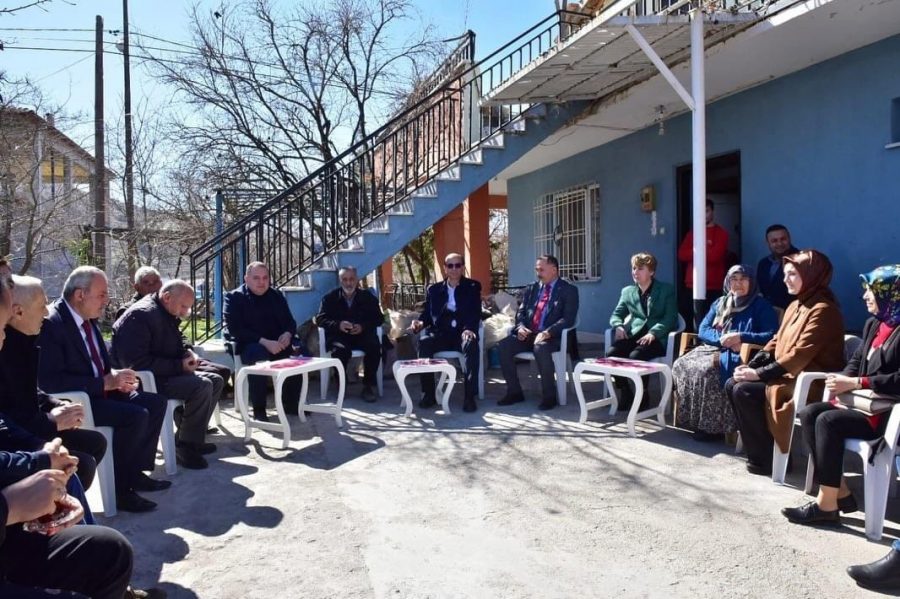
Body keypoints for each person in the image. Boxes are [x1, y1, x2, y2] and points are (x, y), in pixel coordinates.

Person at [38, 266, 167, 513]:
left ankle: (135, 471)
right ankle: (121, 491)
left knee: (155, 402)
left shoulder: (87, 320)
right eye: (102, 294)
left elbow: (96, 364)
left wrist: (116, 376)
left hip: (100, 392)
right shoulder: (53, 325)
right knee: (134, 416)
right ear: (80, 295)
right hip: (79, 401)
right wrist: (103, 383)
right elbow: (50, 382)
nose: (106, 300)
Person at [780, 264, 900, 528]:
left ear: (890, 293)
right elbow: (856, 360)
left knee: (827, 422)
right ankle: (840, 491)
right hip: (862, 404)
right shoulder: (874, 324)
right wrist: (841, 381)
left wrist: (857, 382)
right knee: (810, 413)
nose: (866, 297)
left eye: (871, 291)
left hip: (887, 413)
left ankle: (826, 503)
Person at [726, 249, 845, 475]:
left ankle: (776, 456)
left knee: (746, 391)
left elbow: (799, 355)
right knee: (733, 383)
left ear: (811, 275)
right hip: (789, 373)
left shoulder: (824, 310)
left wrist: (759, 375)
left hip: (809, 381)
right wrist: (751, 366)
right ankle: (760, 453)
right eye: (785, 274)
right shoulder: (796, 304)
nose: (785, 280)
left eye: (792, 274)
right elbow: (775, 342)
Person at [0, 275, 108, 491]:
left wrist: (56, 405)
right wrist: (49, 426)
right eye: (42, 306)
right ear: (18, 311)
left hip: (29, 429)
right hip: (16, 439)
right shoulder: (8, 349)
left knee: (94, 443)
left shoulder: (26, 340)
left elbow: (32, 390)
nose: (47, 312)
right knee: (80, 464)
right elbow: (9, 416)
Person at [112, 280, 222, 470]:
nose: (185, 312)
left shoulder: (164, 311)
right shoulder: (140, 316)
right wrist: (178, 366)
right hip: (147, 382)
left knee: (217, 380)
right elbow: (135, 364)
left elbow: (176, 342)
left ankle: (188, 437)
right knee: (202, 385)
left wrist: (188, 353)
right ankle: (185, 447)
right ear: (167, 297)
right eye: (183, 306)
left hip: (165, 374)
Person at [673, 265, 778, 441]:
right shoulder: (721, 303)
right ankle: (691, 419)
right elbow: (703, 329)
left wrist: (741, 336)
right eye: (733, 279)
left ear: (751, 282)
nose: (738, 284)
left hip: (742, 352)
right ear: (727, 282)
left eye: (743, 279)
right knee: (680, 364)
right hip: (716, 347)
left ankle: (714, 427)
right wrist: (720, 338)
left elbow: (770, 334)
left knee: (707, 371)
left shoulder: (761, 306)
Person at [224, 262, 305, 421]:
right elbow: (235, 329)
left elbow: (290, 321)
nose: (261, 282)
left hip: (277, 342)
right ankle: (259, 409)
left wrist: (288, 334)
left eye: (265, 278)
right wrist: (265, 342)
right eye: (256, 278)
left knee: (299, 353)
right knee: (259, 356)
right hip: (249, 344)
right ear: (246, 279)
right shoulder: (234, 297)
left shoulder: (276, 295)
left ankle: (291, 403)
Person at [498, 254, 578, 411]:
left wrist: (548, 332)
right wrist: (520, 327)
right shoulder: (532, 288)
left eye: (541, 269)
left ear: (554, 270)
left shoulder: (569, 290)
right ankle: (515, 392)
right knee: (503, 346)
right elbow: (520, 313)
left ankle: (549, 396)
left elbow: (568, 319)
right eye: (536, 269)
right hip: (529, 334)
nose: (538, 273)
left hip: (553, 338)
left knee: (540, 347)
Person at [408, 253, 482, 413]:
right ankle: (428, 394)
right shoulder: (434, 290)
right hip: (441, 333)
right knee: (424, 342)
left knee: (471, 344)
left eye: (457, 265)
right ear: (445, 268)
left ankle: (469, 396)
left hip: (462, 332)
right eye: (450, 265)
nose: (454, 269)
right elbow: (427, 314)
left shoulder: (472, 286)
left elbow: (475, 312)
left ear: (463, 267)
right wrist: (420, 323)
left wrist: (469, 328)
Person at [606, 252, 678, 409]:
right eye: (633, 268)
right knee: (612, 354)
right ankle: (625, 391)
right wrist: (618, 325)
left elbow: (670, 318)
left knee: (636, 355)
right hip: (635, 334)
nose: (635, 272)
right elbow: (617, 314)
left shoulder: (666, 290)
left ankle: (643, 394)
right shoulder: (628, 292)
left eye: (640, 268)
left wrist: (653, 333)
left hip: (657, 337)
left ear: (651, 271)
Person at [315, 266, 383, 402]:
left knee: (374, 347)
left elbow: (379, 318)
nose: (348, 283)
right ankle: (341, 383)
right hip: (339, 336)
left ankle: (368, 385)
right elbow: (320, 319)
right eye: (344, 279)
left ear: (356, 280)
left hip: (361, 336)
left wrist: (363, 326)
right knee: (339, 350)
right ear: (340, 281)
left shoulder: (368, 298)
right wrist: (338, 325)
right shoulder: (329, 298)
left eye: (351, 279)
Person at [677, 199, 729, 329]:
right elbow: (681, 254)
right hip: (691, 286)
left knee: (710, 323)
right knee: (689, 322)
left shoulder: (721, 233)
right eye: (701, 211)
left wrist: (696, 251)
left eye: (706, 211)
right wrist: (702, 250)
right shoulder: (692, 233)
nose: (704, 214)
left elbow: (715, 257)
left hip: (713, 287)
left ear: (712, 212)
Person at [755, 224, 799, 310]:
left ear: (789, 239)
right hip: (767, 315)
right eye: (774, 241)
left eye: (783, 239)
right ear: (768, 243)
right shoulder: (763, 264)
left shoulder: (800, 261)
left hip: (792, 314)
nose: (779, 243)